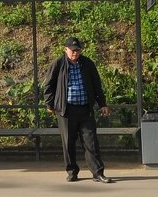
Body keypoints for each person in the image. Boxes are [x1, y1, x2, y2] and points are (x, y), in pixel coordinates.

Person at [42, 36, 113, 184]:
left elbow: (96, 85)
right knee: (68, 143)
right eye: (73, 50)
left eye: (78, 50)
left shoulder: (87, 63)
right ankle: (72, 171)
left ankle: (98, 173)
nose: (75, 53)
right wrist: (50, 104)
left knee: (91, 141)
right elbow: (48, 85)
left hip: (85, 109)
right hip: (66, 111)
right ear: (65, 49)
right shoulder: (59, 63)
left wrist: (102, 104)